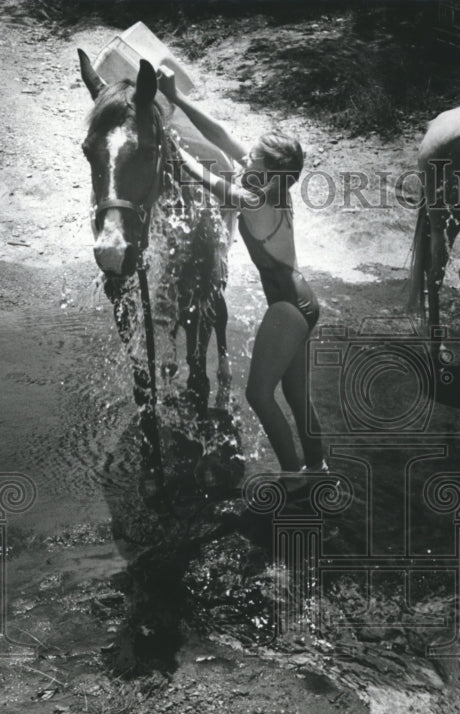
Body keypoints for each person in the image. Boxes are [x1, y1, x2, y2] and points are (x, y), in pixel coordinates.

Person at [158, 72, 326, 474]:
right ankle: (318, 470)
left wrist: (171, 147)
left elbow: (205, 177)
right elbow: (218, 133)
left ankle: (292, 477)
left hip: (287, 308)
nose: (245, 158)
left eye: (253, 157)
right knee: (297, 396)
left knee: (258, 395)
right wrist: (174, 96)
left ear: (266, 173)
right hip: (302, 302)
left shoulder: (253, 199)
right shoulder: (275, 189)